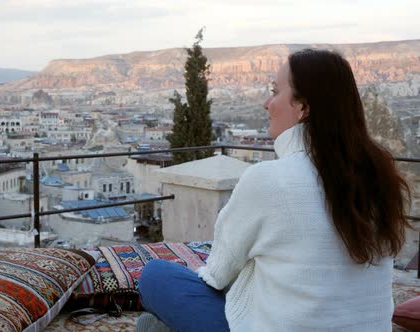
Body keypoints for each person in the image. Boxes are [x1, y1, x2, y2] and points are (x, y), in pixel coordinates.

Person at [136, 49, 411, 332]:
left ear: (303, 107)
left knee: (156, 276)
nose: (267, 103)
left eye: (274, 91)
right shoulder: (380, 177)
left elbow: (217, 274)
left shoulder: (268, 179)